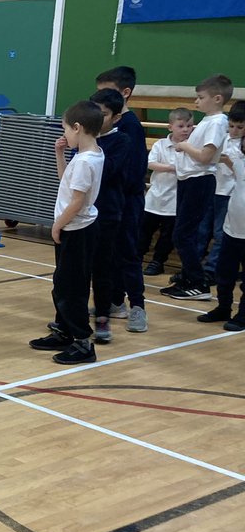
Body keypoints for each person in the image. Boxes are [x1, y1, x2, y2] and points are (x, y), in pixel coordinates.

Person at [30, 100, 104, 365]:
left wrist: (58, 224)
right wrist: (59, 154)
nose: (64, 136)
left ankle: (83, 343)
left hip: (76, 230)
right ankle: (64, 331)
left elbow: (76, 201)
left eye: (66, 130)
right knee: (64, 283)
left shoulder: (86, 161)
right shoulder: (88, 155)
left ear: (77, 127)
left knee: (69, 288)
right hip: (74, 228)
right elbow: (67, 183)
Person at [163, 74, 233, 300]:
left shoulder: (217, 122)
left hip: (199, 181)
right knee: (183, 233)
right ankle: (188, 276)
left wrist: (183, 145)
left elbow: (205, 156)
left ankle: (198, 283)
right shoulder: (207, 120)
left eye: (201, 97)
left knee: (182, 235)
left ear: (217, 98)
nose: (196, 102)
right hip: (189, 180)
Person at [97, 67, 149, 333]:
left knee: (128, 254)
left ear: (124, 94)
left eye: (106, 92)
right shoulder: (105, 129)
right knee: (108, 255)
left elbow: (135, 170)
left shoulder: (130, 128)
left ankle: (137, 306)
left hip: (127, 202)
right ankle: (114, 301)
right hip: (109, 203)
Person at [198, 101, 245, 330]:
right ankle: (223, 307)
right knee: (224, 273)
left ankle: (243, 314)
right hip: (232, 226)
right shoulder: (236, 158)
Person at [87, 88, 127, 344]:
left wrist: (90, 146)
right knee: (74, 272)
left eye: (102, 114)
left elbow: (108, 171)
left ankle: (102, 319)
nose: (97, 119)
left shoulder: (120, 142)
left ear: (115, 117)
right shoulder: (84, 141)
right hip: (81, 215)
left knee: (101, 271)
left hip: (107, 215)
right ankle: (69, 318)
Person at [140, 109, 192, 277]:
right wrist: (172, 168)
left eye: (189, 126)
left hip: (175, 202)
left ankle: (158, 261)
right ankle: (136, 256)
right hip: (154, 199)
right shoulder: (160, 145)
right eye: (181, 126)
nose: (185, 129)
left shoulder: (191, 147)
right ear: (170, 127)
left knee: (167, 236)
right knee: (144, 231)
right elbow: (151, 163)